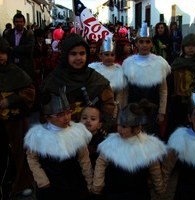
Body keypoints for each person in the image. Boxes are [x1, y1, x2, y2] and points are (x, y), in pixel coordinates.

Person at [24, 87, 93, 200]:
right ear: (48, 117)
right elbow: (32, 158)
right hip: (50, 186)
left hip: (74, 184)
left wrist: (90, 182)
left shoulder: (77, 132)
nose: (66, 118)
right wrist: (42, 179)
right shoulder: (38, 135)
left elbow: (84, 160)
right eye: (60, 114)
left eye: (68, 112)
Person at [92, 99, 167, 200]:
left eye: (124, 126)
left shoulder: (147, 145)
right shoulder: (111, 143)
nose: (119, 129)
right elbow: (101, 162)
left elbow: (154, 168)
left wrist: (159, 187)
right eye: (119, 124)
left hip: (138, 192)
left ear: (137, 128)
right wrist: (98, 184)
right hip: (115, 191)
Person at [41, 33, 115, 132]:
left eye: (82, 53)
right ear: (65, 55)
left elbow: (108, 107)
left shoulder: (96, 79)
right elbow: (46, 113)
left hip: (91, 137)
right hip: (61, 136)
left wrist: (98, 128)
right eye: (73, 54)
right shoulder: (53, 80)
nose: (78, 58)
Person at [122, 22, 171, 139]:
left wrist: (161, 112)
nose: (144, 45)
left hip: (152, 110)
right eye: (141, 41)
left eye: (147, 41)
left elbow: (163, 90)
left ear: (152, 44)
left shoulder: (159, 63)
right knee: (134, 139)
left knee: (151, 140)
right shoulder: (128, 63)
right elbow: (125, 90)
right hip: (133, 109)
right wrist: (123, 110)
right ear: (136, 44)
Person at [0, 37, 35, 198]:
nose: (1, 56)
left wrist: (9, 100)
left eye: (3, 53)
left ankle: (22, 184)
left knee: (20, 153)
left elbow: (29, 92)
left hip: (16, 122)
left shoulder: (16, 72)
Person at [162, 91, 195, 200]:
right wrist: (161, 189)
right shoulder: (179, 140)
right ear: (189, 117)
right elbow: (166, 168)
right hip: (186, 193)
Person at [89, 36, 127, 129]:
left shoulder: (120, 70)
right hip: (95, 105)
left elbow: (121, 94)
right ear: (100, 55)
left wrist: (120, 110)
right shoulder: (93, 69)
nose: (109, 57)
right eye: (106, 54)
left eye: (112, 55)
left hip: (113, 108)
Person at [168, 33, 195, 133]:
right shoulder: (177, 62)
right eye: (188, 46)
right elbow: (170, 79)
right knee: (177, 125)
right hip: (178, 101)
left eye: (193, 46)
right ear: (183, 47)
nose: (190, 48)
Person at [4, 13, 35, 81]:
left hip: (25, 67)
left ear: (24, 23)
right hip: (12, 66)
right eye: (17, 22)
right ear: (14, 23)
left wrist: (13, 48)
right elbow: (6, 47)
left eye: (21, 22)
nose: (19, 24)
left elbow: (29, 49)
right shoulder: (9, 34)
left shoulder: (29, 34)